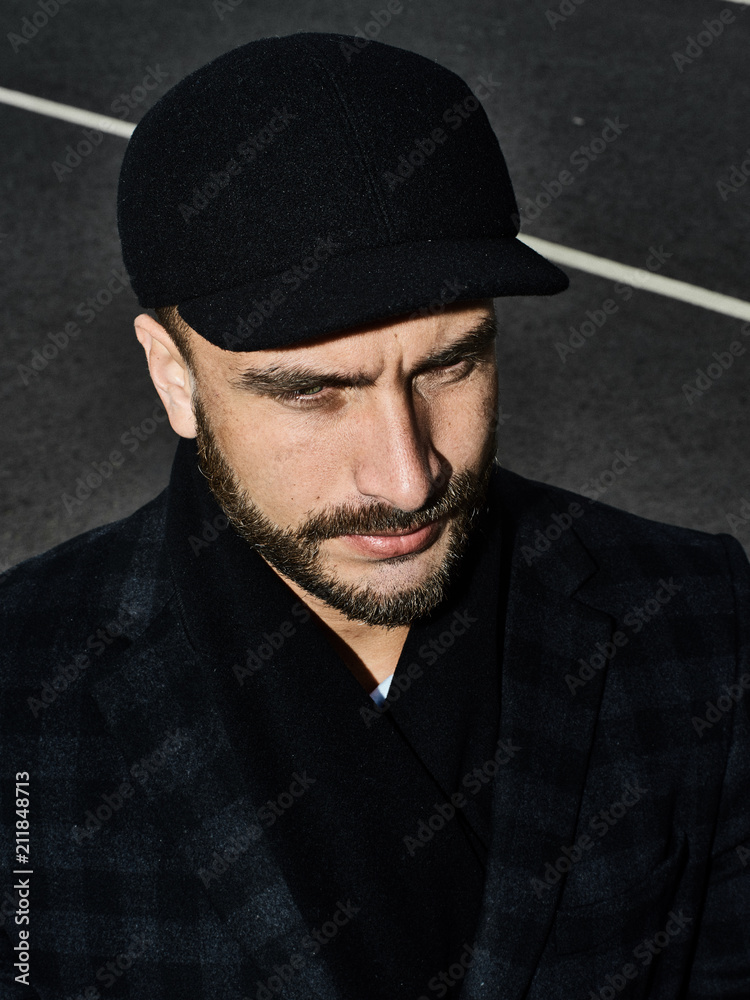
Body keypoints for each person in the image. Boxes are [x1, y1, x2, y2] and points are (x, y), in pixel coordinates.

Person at [1, 31, 748, 1000]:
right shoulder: (20, 683)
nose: (407, 478)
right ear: (172, 376)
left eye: (451, 364)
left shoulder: (703, 622)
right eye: (313, 392)